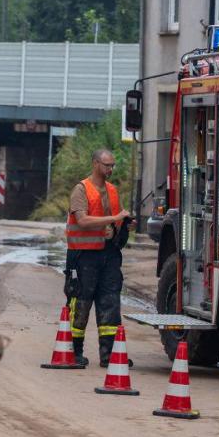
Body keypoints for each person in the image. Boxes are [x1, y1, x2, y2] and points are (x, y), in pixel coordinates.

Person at [65, 148, 132, 367]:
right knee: (81, 303)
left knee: (110, 302)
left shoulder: (112, 190)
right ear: (95, 164)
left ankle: (109, 355)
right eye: (107, 165)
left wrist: (118, 227)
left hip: (109, 256)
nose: (110, 169)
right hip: (84, 257)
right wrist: (112, 218)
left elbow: (118, 220)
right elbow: (82, 221)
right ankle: (74, 352)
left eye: (113, 165)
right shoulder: (81, 189)